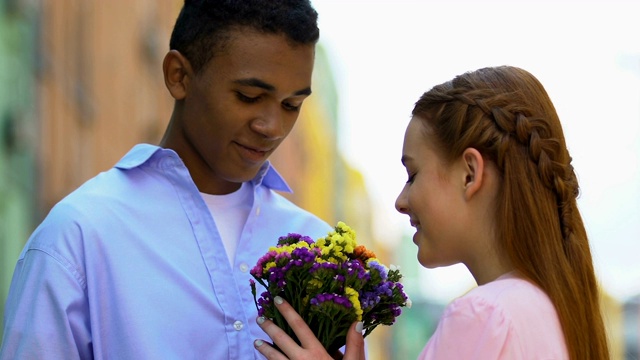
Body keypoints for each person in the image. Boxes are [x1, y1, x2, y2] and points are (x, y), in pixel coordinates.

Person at [0, 1, 332, 359]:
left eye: (291, 105)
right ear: (179, 76)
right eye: (249, 97)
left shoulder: (318, 246)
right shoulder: (80, 236)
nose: (272, 127)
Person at [252, 66, 610, 360]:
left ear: (470, 174)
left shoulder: (483, 315)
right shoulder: (553, 310)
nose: (401, 201)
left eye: (412, 175)